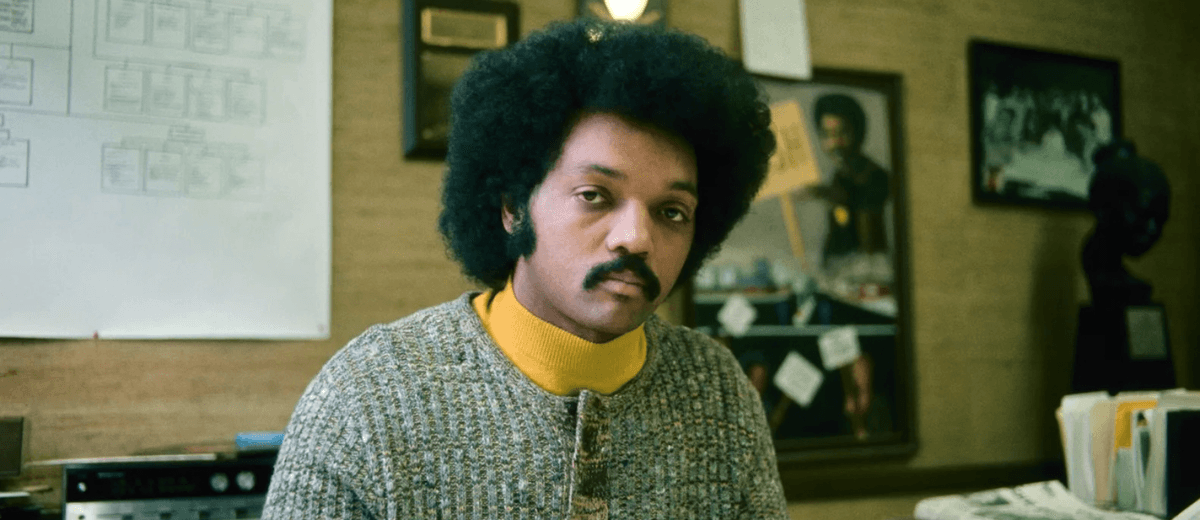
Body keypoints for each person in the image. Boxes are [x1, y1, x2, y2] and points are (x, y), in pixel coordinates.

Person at [261, 19, 787, 518]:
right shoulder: (368, 396)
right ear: (513, 207)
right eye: (595, 195)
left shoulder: (718, 393)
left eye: (672, 212)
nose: (636, 237)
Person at [808, 93, 890, 282]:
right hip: (838, 272)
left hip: (866, 275)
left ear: (858, 133)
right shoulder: (839, 175)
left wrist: (828, 194)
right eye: (826, 135)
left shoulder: (874, 175)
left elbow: (869, 240)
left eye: (842, 133)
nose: (834, 143)